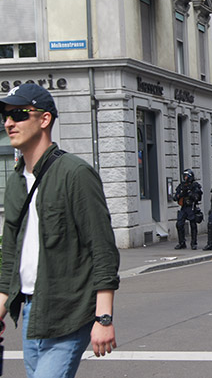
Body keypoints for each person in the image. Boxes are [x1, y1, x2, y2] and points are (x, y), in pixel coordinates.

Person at [0, 83, 120, 377]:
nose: (8, 123)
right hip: (30, 312)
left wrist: (104, 317)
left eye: (18, 114)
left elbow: (102, 248)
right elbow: (11, 252)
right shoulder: (16, 182)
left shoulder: (75, 174)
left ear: (44, 120)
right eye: (5, 116)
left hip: (68, 312)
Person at [174, 168, 203, 249]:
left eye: (186, 176)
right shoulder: (182, 186)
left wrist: (191, 194)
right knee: (179, 224)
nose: (185, 178)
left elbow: (198, 197)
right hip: (183, 207)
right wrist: (181, 194)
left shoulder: (195, 185)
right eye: (184, 176)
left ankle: (194, 243)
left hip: (191, 207)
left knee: (193, 225)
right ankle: (181, 242)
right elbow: (175, 197)